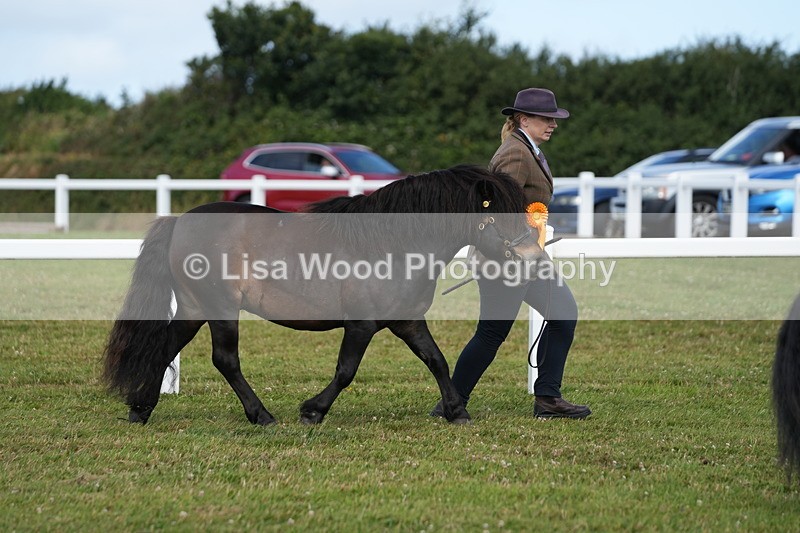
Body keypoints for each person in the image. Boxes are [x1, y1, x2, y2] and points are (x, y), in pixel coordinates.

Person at [433, 87, 591, 419]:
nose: (553, 124)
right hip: (505, 260)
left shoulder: (528, 149)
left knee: (563, 313)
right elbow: (491, 210)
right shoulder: (515, 154)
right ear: (524, 119)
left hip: (528, 257)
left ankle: (548, 398)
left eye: (554, 119)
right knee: (492, 333)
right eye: (547, 119)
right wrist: (513, 249)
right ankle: (452, 401)